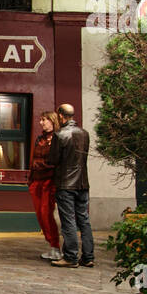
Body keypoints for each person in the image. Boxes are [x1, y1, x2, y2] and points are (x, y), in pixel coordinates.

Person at [47, 103, 94, 268]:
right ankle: (88, 257)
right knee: (84, 220)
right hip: (83, 183)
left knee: (68, 221)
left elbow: (52, 160)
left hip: (66, 183)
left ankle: (71, 256)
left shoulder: (60, 135)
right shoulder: (85, 134)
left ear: (60, 115)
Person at [28, 111, 62, 261]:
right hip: (37, 181)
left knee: (46, 213)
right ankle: (52, 246)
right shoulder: (40, 139)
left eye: (44, 120)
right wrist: (31, 180)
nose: (41, 123)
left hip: (49, 181)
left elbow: (55, 162)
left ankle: (55, 246)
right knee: (40, 215)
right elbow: (33, 159)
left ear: (52, 121)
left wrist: (40, 165)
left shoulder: (57, 138)